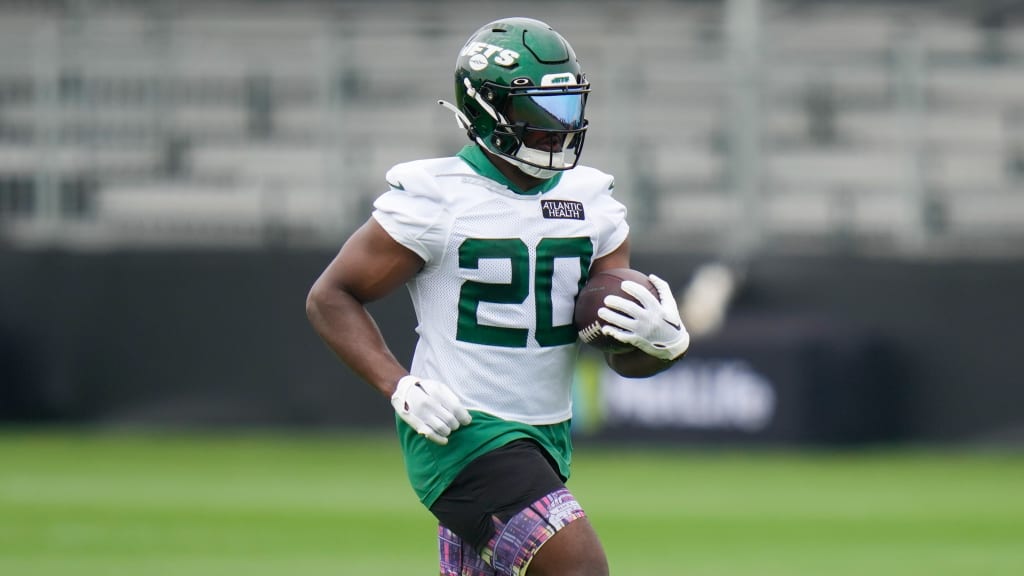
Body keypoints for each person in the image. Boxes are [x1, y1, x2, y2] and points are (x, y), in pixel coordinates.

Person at [306, 17, 689, 576]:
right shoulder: (435, 199)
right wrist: (399, 385)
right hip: (461, 434)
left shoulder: (594, 203)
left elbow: (616, 350)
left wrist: (662, 343)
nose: (559, 128)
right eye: (538, 110)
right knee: (581, 569)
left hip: (546, 437)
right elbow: (331, 296)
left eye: (566, 107)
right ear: (488, 112)